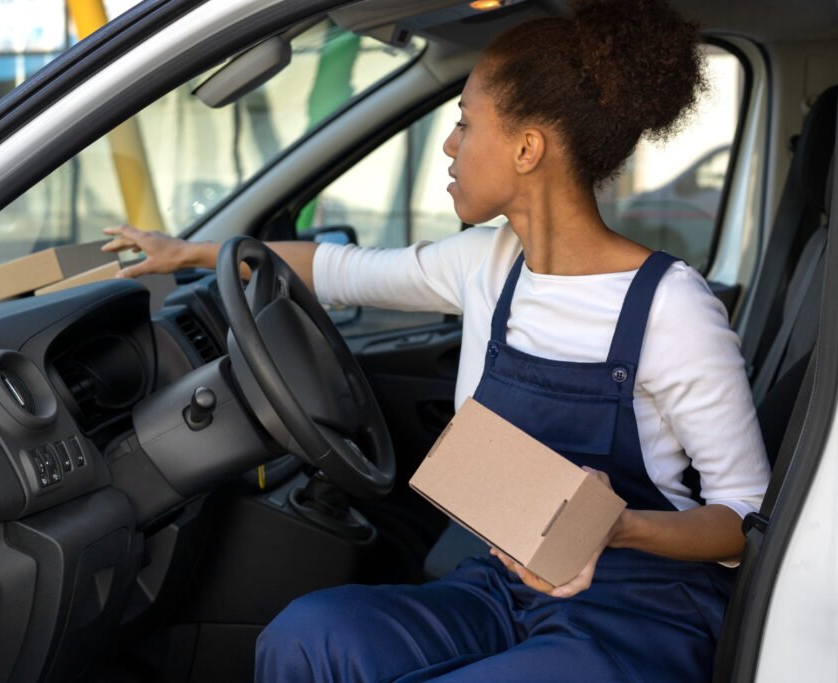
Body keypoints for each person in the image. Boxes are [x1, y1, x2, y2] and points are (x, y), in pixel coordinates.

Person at [102, 0, 771, 679]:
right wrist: (189, 253)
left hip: (639, 609)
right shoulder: (484, 261)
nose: (450, 146)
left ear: (527, 147)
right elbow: (336, 269)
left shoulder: (670, 305)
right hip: (508, 584)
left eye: (464, 123)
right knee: (304, 634)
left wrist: (616, 525)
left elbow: (745, 519)